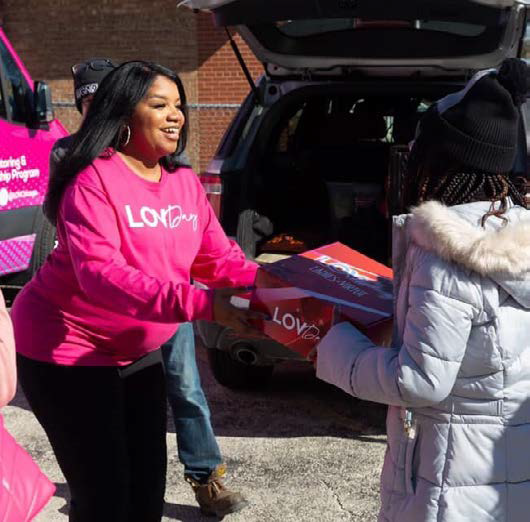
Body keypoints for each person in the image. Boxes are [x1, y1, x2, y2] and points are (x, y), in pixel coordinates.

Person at [11, 60, 260, 522]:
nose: (176, 116)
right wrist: (203, 304)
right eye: (160, 104)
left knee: (145, 492)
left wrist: (286, 284)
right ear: (124, 114)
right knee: (105, 499)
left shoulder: (183, 183)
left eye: (180, 106)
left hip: (139, 351)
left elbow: (218, 259)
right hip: (65, 353)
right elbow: (101, 275)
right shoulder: (92, 181)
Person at [315, 58, 530, 522]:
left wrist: (333, 347)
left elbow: (420, 380)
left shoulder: (444, 252)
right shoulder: (516, 233)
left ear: (435, 161)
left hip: (451, 479)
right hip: (510, 466)